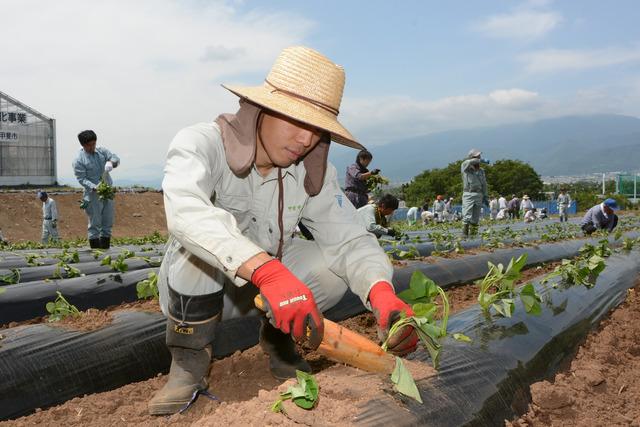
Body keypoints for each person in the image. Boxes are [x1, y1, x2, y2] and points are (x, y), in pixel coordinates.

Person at [149, 46, 418, 415]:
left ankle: (279, 339)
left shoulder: (313, 171)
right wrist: (266, 270)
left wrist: (381, 291)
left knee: (331, 264)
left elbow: (349, 238)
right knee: (194, 249)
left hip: (272, 296)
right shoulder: (202, 143)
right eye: (296, 121)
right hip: (198, 298)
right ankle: (188, 362)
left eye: (317, 130)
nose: (306, 140)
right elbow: (185, 210)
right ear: (262, 110)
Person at [73, 130, 120, 249]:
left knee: (107, 221)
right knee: (95, 223)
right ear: (83, 145)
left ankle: (105, 248)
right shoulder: (79, 160)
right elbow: (82, 179)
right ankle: (95, 252)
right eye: (89, 145)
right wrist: (94, 186)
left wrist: (111, 163)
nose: (92, 147)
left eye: (94, 144)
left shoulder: (102, 151)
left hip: (107, 191)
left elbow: (115, 158)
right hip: (93, 194)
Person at [460, 149, 489, 236]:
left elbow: (484, 184)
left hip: (479, 194)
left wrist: (485, 195)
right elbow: (469, 162)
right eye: (476, 157)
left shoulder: (481, 171)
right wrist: (481, 160)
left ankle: (473, 235)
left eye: (479, 157)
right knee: (467, 215)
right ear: (471, 158)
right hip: (469, 194)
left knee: (476, 217)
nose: (478, 159)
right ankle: (465, 234)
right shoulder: (465, 167)